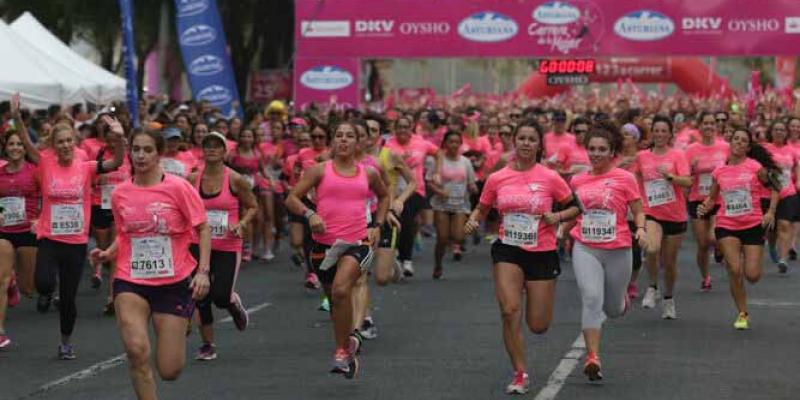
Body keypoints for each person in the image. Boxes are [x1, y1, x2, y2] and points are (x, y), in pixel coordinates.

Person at [89, 128, 211, 399]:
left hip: (173, 282)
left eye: (147, 150)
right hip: (130, 280)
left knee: (169, 370)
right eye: (136, 150)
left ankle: (185, 316)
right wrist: (109, 253)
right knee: (136, 351)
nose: (141, 156)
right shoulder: (121, 193)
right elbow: (125, 234)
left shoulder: (179, 188)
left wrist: (203, 272)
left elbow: (203, 228)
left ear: (159, 154)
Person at [465, 120, 579, 394]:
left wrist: (557, 217)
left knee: (538, 325)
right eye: (522, 138)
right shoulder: (497, 178)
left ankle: (530, 296)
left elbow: (575, 207)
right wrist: (473, 219)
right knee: (509, 310)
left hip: (542, 252)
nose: (526, 143)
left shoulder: (550, 177)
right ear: (514, 142)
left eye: (531, 139)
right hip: (508, 249)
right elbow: (482, 207)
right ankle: (519, 373)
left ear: (539, 145)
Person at [286, 121, 389, 379]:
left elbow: (385, 196)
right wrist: (310, 214)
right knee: (335, 302)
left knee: (342, 289)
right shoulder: (319, 170)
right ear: (333, 141)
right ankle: (349, 344)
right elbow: (292, 198)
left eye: (349, 135)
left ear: (358, 142)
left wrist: (377, 225)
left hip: (358, 244)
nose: (343, 140)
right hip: (324, 246)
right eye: (339, 135)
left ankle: (341, 352)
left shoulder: (368, 173)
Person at [35, 116, 124, 359]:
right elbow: (27, 145)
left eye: (68, 141)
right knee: (43, 282)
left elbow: (116, 162)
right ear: (54, 145)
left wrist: (119, 138)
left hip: (75, 243)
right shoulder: (46, 163)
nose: (65, 145)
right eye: (60, 142)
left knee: (68, 298)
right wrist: (17, 120)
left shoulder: (85, 166)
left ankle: (65, 342)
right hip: (50, 237)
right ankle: (46, 292)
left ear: (74, 143)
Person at [566, 127, 646, 381]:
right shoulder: (577, 180)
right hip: (585, 246)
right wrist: (560, 231)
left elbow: (638, 209)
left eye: (602, 149)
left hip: (618, 249)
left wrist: (641, 229)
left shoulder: (625, 178)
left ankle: (622, 302)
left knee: (612, 309)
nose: (596, 154)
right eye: (592, 149)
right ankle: (593, 357)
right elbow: (574, 212)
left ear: (612, 152)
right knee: (591, 297)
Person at [698, 127, 778, 329]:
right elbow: (712, 198)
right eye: (736, 139)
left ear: (748, 147)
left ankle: (746, 257)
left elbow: (775, 188)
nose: (739, 143)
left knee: (752, 276)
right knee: (734, 270)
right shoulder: (719, 171)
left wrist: (770, 212)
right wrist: (704, 206)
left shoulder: (755, 167)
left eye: (743, 141)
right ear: (730, 142)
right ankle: (742, 313)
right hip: (727, 224)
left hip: (752, 224)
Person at [189, 131, 258, 360]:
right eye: (207, 145)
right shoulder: (192, 179)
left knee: (220, 296)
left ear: (224, 151)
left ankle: (232, 303)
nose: (211, 149)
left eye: (216, 145)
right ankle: (208, 344)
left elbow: (253, 206)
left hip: (227, 245)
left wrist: (241, 224)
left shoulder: (235, 179)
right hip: (197, 244)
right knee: (200, 295)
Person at [634, 115, 691, 319]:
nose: (659, 134)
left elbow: (688, 181)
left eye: (663, 131)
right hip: (651, 212)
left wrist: (671, 177)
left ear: (670, 134)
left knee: (669, 263)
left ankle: (668, 299)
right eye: (656, 131)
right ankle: (652, 286)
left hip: (675, 214)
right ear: (652, 133)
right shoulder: (642, 156)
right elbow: (635, 178)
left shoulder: (678, 155)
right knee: (652, 248)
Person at [0, 93, 41, 349]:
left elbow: (48, 198)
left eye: (19, 144)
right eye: (11, 144)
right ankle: (0, 330)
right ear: (5, 147)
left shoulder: (35, 172)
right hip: (4, 230)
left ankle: (16, 283)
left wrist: (40, 220)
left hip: (28, 229)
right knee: (0, 279)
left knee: (29, 288)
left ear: (25, 148)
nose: (15, 148)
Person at [383, 116, 441, 276]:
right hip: (394, 191)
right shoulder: (388, 145)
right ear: (394, 129)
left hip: (416, 189)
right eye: (399, 127)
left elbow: (438, 153)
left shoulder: (421, 143)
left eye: (406, 127)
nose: (402, 130)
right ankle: (397, 255)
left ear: (411, 128)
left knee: (407, 219)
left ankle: (406, 259)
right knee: (399, 222)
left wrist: (436, 172)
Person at [685, 111, 729, 291]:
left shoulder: (725, 147)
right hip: (698, 199)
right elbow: (684, 176)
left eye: (712, 123)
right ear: (700, 126)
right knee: (703, 243)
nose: (709, 126)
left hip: (719, 198)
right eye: (706, 123)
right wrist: (692, 168)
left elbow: (732, 169)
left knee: (713, 237)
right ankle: (706, 277)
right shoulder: (691, 150)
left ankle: (719, 248)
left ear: (716, 126)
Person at [429, 131, 477, 279]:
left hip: (460, 204)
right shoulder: (438, 161)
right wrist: (440, 191)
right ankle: (438, 264)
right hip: (442, 204)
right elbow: (429, 181)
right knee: (442, 238)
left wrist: (473, 188)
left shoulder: (465, 162)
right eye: (451, 141)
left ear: (460, 144)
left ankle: (453, 235)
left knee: (458, 237)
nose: (454, 145)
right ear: (445, 143)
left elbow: (471, 182)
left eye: (457, 142)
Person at [761, 120, 799, 273]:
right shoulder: (764, 148)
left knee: (785, 224)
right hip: (768, 194)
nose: (779, 132)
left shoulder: (791, 150)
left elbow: (797, 167)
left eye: (782, 130)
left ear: (786, 133)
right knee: (771, 229)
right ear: (771, 132)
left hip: (787, 192)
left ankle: (783, 259)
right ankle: (772, 246)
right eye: (776, 129)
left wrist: (798, 181)